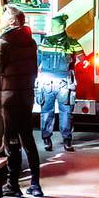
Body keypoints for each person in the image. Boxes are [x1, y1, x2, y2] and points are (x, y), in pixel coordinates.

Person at [0, 5, 42, 197]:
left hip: (9, 96)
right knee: (28, 138)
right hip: (26, 95)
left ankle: (13, 184)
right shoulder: (31, 42)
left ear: (12, 20)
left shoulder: (4, 41)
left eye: (4, 15)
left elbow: (0, 68)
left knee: (11, 139)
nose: (1, 18)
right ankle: (35, 184)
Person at [35, 14, 85, 152]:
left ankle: (61, 139)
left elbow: (83, 58)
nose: (52, 28)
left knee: (61, 112)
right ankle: (53, 139)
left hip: (59, 83)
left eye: (54, 25)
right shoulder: (47, 42)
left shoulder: (51, 42)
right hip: (57, 83)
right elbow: (37, 61)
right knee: (54, 112)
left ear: (62, 26)